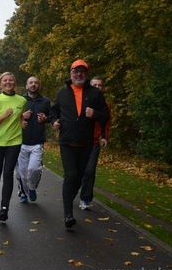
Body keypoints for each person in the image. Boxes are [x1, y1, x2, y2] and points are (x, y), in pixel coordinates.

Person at [49, 59, 108, 228]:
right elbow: (54, 111)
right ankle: (68, 213)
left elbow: (105, 115)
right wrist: (54, 122)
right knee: (71, 175)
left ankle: (69, 202)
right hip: (66, 141)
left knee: (79, 177)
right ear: (71, 74)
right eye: (76, 71)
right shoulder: (63, 92)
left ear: (87, 75)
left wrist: (95, 113)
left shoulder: (95, 93)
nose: (79, 74)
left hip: (86, 142)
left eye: (82, 71)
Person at [0, 72, 26, 221]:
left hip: (14, 141)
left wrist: (22, 121)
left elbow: (19, 115)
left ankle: (4, 207)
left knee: (8, 173)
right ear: (0, 84)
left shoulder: (21, 100)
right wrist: (3, 116)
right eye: (5, 80)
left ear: (14, 83)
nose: (8, 82)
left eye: (11, 80)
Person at [16, 76, 51, 203]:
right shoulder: (20, 100)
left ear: (39, 85)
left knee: (34, 168)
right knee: (23, 171)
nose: (33, 84)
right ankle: (23, 193)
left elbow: (52, 117)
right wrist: (21, 117)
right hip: (21, 141)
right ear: (26, 86)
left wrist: (46, 119)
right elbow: (11, 118)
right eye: (30, 82)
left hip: (37, 141)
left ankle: (32, 188)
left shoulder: (45, 101)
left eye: (36, 82)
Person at [79, 76, 112, 210]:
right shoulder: (81, 100)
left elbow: (106, 122)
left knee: (90, 170)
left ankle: (85, 198)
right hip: (78, 141)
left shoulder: (105, 105)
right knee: (76, 171)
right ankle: (73, 188)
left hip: (93, 142)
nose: (97, 88)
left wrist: (104, 137)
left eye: (100, 85)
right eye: (95, 85)